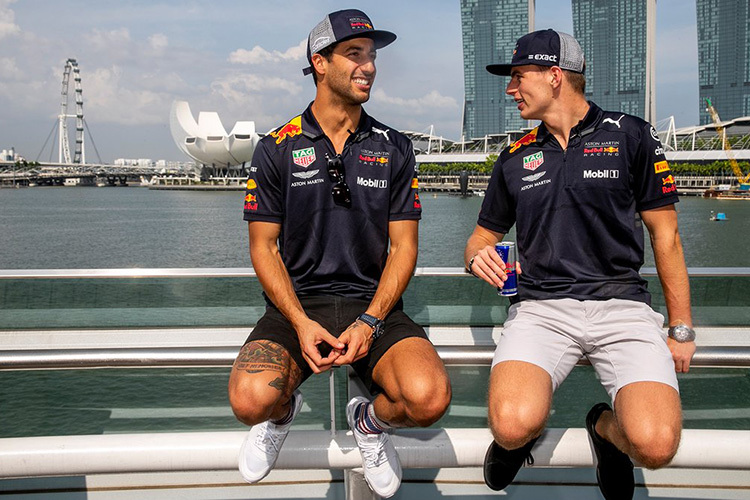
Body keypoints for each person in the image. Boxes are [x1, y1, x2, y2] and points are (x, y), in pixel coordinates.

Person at [228, 9, 451, 499]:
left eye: (371, 56)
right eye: (354, 54)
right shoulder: (275, 147)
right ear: (320, 63)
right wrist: (300, 322)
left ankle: (369, 423)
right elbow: (263, 247)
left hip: (373, 307)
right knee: (250, 402)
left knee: (429, 399)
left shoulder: (393, 146)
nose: (368, 66)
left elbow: (404, 247)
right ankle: (282, 414)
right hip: (297, 307)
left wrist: (371, 320)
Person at [464, 29, 695, 500]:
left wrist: (681, 328)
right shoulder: (514, 156)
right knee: (509, 426)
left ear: (554, 76)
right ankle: (522, 438)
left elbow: (666, 236)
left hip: (623, 307)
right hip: (541, 309)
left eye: (518, 77)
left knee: (656, 445)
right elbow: (481, 237)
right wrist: (476, 256)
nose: (511, 90)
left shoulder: (631, 135)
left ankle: (604, 428)